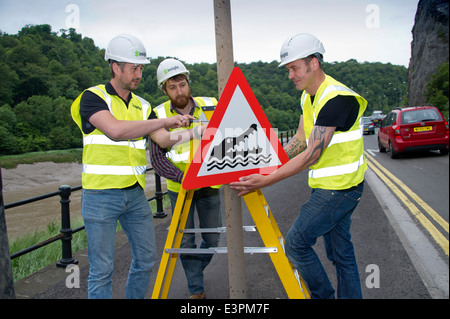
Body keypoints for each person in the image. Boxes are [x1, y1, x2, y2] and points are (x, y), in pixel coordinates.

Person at [230, 33, 367, 299]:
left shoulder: (338, 99)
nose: (290, 75)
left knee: (295, 244)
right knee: (341, 255)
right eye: (288, 69)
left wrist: (267, 180)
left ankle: (322, 296)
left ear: (313, 63)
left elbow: (311, 154)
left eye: (294, 67)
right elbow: (299, 140)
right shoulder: (308, 97)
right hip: (330, 187)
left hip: (340, 190)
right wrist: (267, 163)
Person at [71, 34, 194, 299]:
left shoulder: (143, 105)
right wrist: (165, 121)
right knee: (102, 270)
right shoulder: (92, 97)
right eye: (134, 68)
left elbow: (162, 139)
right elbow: (115, 130)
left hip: (135, 194)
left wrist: (199, 133)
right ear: (116, 67)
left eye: (141, 68)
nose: (139, 74)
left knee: (147, 259)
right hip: (100, 195)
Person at [149, 58, 222, 299]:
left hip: (210, 185)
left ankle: (194, 273)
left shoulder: (211, 105)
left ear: (188, 82)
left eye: (182, 84)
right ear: (164, 89)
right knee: (186, 239)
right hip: (179, 187)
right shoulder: (158, 114)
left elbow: (228, 140)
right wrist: (183, 177)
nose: (179, 91)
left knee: (213, 236)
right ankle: (196, 290)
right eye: (172, 87)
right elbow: (158, 160)